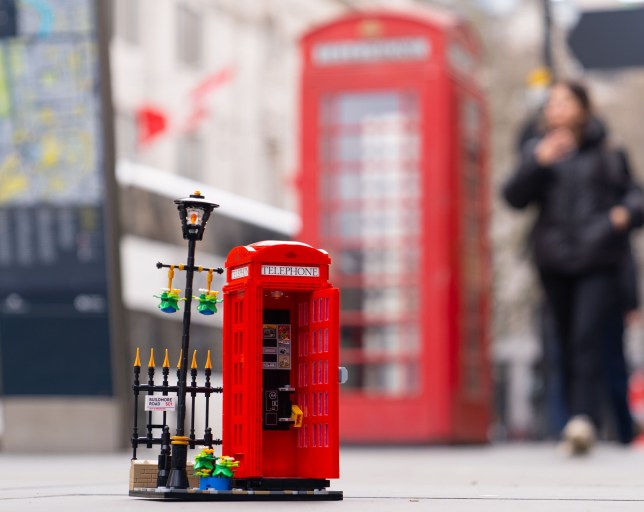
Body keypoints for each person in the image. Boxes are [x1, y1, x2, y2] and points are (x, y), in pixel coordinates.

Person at [502, 80, 644, 454]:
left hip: (598, 258)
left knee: (586, 337)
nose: (557, 107)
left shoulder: (609, 151)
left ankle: (583, 420)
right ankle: (571, 421)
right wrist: (538, 161)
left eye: (565, 101)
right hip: (553, 260)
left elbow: (636, 197)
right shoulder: (538, 149)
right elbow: (513, 197)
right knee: (561, 340)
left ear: (583, 107)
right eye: (552, 102)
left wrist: (621, 215)